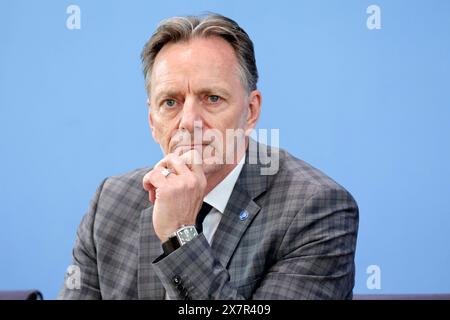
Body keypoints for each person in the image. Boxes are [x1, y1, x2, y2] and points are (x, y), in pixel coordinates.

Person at [59, 13, 359, 300]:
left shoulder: (316, 208)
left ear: (251, 111)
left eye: (212, 98)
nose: (189, 121)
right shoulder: (111, 202)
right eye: (171, 102)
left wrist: (179, 234)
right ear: (152, 121)